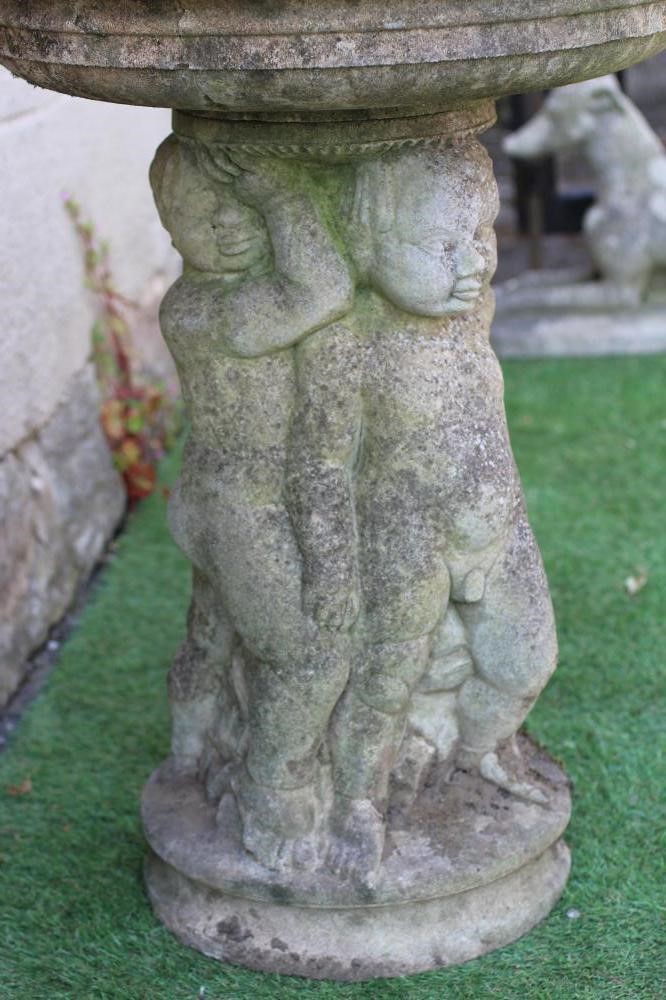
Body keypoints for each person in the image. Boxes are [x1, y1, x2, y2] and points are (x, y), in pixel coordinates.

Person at [150, 134, 355, 869]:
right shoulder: (207, 313)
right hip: (239, 508)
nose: (231, 223)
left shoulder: (197, 304)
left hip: (212, 498)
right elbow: (322, 291)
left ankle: (187, 748)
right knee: (311, 657)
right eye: (203, 213)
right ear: (169, 228)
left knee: (211, 633)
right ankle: (272, 788)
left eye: (239, 205)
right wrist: (281, 195)